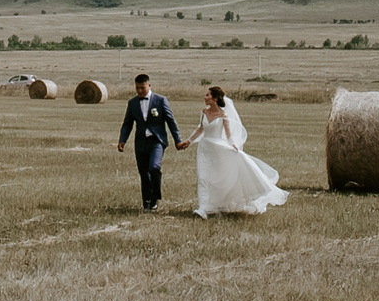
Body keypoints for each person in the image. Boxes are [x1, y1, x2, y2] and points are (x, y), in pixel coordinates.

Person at [190, 86, 286, 217]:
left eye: (207, 95)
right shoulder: (204, 112)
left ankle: (213, 205)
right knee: (203, 178)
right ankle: (202, 208)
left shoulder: (224, 115)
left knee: (216, 178)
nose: (205, 97)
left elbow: (229, 135)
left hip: (218, 149)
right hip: (204, 149)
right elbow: (200, 129)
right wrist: (188, 141)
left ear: (215, 98)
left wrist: (234, 146)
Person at [115, 73, 183, 212]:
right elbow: (127, 123)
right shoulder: (132, 103)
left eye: (142, 88)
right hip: (140, 142)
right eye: (137, 88)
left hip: (157, 141)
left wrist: (178, 140)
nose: (139, 91)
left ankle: (155, 196)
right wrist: (123, 140)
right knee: (144, 173)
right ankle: (147, 202)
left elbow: (171, 121)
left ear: (149, 85)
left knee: (154, 167)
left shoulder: (160, 100)